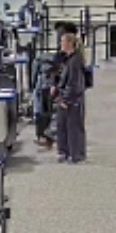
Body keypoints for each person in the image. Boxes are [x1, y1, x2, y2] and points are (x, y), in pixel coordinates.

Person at [54, 32, 86, 163]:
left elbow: (74, 83)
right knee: (63, 125)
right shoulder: (69, 59)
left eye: (62, 42)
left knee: (73, 127)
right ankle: (66, 152)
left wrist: (66, 99)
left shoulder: (74, 62)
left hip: (72, 99)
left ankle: (75, 154)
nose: (60, 44)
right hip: (67, 96)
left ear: (69, 44)